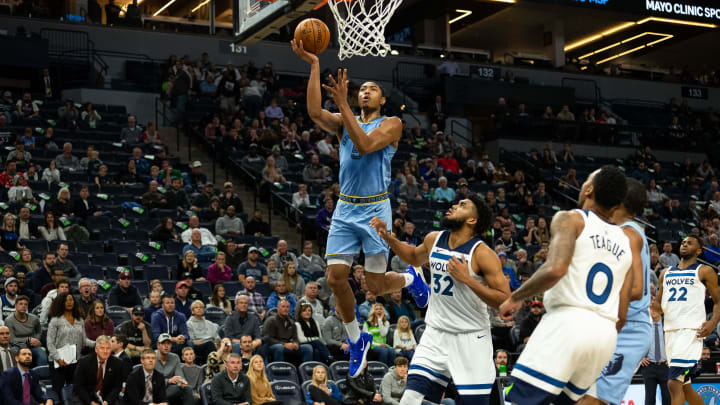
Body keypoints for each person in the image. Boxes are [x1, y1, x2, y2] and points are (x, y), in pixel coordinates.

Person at [292, 39, 428, 378]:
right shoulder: (343, 121)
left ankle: (410, 276)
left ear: (382, 100)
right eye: (362, 89)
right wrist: (313, 66)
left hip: (374, 211)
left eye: (373, 90)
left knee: (376, 285)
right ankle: (357, 339)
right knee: (335, 278)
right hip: (345, 209)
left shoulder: (392, 123)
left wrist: (343, 106)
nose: (365, 92)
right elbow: (312, 112)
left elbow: (366, 145)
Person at [498, 166, 634, 405]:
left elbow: (556, 269)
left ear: (589, 189)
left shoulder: (572, 219)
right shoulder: (626, 242)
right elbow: (622, 315)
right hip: (605, 335)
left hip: (568, 323)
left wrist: (515, 297)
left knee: (519, 401)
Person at [371, 194, 510, 404]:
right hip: (436, 334)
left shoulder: (482, 254)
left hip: (471, 337)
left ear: (472, 220)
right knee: (409, 398)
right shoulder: (434, 238)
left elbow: (504, 299)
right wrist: (387, 237)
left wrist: (468, 279)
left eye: (463, 206)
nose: (454, 206)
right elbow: (413, 256)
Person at [580, 179, 652, 405]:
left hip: (628, 329)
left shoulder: (628, 235)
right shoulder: (615, 232)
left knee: (595, 400)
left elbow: (637, 290)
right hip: (607, 326)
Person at [653, 235, 720, 405]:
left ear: (699, 250)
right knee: (685, 387)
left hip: (690, 332)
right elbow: (659, 304)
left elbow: (718, 301)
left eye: (689, 243)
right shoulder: (665, 273)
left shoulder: (704, 270)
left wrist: (712, 323)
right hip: (670, 333)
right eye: (683, 242)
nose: (684, 244)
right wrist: (652, 311)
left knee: (674, 383)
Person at [47, 292, 95, 397]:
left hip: (74, 361)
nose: (69, 302)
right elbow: (50, 343)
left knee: (74, 392)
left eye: (71, 300)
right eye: (66, 300)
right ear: (61, 303)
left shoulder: (80, 320)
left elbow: (84, 341)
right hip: (58, 362)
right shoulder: (55, 320)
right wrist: (58, 359)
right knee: (58, 391)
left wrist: (98, 344)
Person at [71, 335, 124, 405]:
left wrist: (107, 401)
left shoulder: (117, 363)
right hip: (85, 397)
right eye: (102, 348)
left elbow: (117, 387)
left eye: (108, 348)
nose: (105, 351)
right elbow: (79, 386)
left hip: (106, 397)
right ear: (96, 349)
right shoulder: (84, 362)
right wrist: (91, 402)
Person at [640, 285, 670, 405]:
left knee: (668, 399)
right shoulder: (643, 322)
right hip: (649, 366)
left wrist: (671, 357)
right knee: (649, 399)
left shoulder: (668, 322)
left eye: (653, 302)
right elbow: (637, 342)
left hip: (666, 366)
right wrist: (640, 357)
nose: (652, 309)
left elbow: (674, 341)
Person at [264, 299, 312, 363]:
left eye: (287, 307)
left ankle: (304, 370)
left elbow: (295, 337)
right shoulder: (271, 321)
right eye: (283, 307)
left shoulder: (292, 322)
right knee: (279, 347)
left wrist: (296, 343)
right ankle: (279, 369)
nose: (285, 309)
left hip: (289, 346)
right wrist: (284, 344)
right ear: (278, 308)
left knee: (308, 347)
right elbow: (268, 338)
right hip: (274, 346)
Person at [5, 295, 46, 366]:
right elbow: (11, 339)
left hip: (32, 346)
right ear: (15, 306)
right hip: (17, 346)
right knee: (14, 352)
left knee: (42, 355)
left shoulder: (34, 318)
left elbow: (39, 331)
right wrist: (28, 339)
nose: (23, 306)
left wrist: (36, 340)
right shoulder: (9, 320)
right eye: (21, 304)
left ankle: (40, 375)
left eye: (25, 304)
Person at [154, 333, 195, 405]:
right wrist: (168, 381)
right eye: (163, 343)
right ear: (158, 345)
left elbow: (179, 375)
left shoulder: (175, 357)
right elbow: (151, 380)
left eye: (169, 343)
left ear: (171, 346)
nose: (166, 346)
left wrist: (181, 381)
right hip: (155, 389)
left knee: (187, 388)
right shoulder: (151, 357)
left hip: (170, 389)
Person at [186, 300, 219, 365]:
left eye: (201, 307)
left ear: (204, 310)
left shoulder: (210, 324)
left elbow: (217, 338)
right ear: (192, 311)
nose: (199, 309)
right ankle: (212, 366)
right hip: (198, 347)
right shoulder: (189, 324)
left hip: (212, 345)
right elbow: (192, 341)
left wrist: (218, 343)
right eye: (196, 307)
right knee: (209, 344)